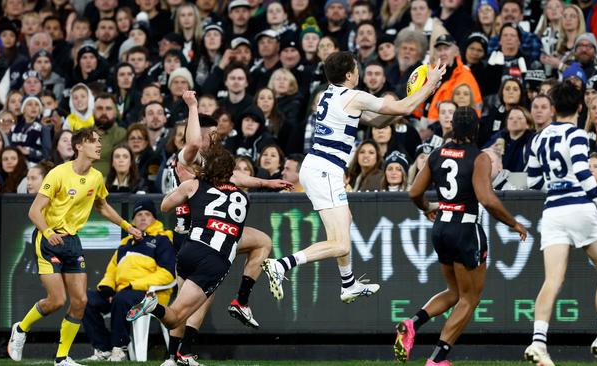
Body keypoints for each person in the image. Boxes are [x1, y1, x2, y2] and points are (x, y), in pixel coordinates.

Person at [262, 51, 446, 303]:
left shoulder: (330, 94)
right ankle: (282, 264)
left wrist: (411, 99)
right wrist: (431, 84)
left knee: (344, 221)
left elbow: (379, 122)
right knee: (340, 244)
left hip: (319, 166)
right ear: (349, 74)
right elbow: (404, 107)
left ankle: (348, 284)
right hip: (325, 169)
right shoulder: (353, 96)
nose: (359, 72)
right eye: (357, 69)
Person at [160, 91, 292, 365]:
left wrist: (268, 183)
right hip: (191, 234)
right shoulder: (188, 156)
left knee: (262, 242)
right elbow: (194, 140)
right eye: (212, 135)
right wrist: (193, 105)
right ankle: (176, 354)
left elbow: (237, 176)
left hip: (212, 231)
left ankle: (241, 301)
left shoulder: (210, 164)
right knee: (190, 300)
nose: (215, 140)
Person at [397, 107, 527, 365]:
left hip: (442, 228)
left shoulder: (436, 154)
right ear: (476, 129)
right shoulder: (479, 158)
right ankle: (437, 359)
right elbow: (487, 199)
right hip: (466, 229)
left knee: (454, 291)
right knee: (470, 298)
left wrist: (428, 208)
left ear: (453, 127)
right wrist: (513, 223)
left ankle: (412, 324)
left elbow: (414, 192)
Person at [7, 127, 142, 366]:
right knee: (56, 300)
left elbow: (101, 205)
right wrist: (48, 232)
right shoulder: (59, 174)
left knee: (80, 301)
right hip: (48, 240)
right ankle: (21, 329)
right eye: (93, 141)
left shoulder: (96, 177)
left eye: (100, 141)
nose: (99, 145)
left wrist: (127, 225)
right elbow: (34, 211)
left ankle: (62, 358)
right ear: (79, 146)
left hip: (72, 241)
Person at [525, 80, 597, 366]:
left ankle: (538, 342)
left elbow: (533, 182)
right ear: (581, 107)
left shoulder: (538, 138)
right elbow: (581, 169)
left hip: (552, 211)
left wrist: (556, 183)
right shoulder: (578, 134)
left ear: (553, 108)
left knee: (552, 280)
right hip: (579, 206)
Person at [126, 144, 248, 342]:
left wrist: (186, 187)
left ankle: (174, 358)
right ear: (231, 172)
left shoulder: (195, 185)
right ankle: (155, 308)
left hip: (188, 250)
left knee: (177, 311)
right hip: (214, 258)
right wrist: (266, 183)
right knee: (175, 318)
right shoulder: (243, 198)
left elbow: (165, 206)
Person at [82, 199, 175, 362]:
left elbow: (167, 274)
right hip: (121, 293)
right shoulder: (124, 244)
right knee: (85, 300)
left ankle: (119, 348)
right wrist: (107, 288)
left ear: (155, 219)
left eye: (147, 214)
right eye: (139, 215)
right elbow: (111, 271)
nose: (143, 218)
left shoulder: (162, 240)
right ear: (132, 221)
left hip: (149, 295)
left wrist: (133, 285)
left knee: (122, 299)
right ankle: (104, 349)